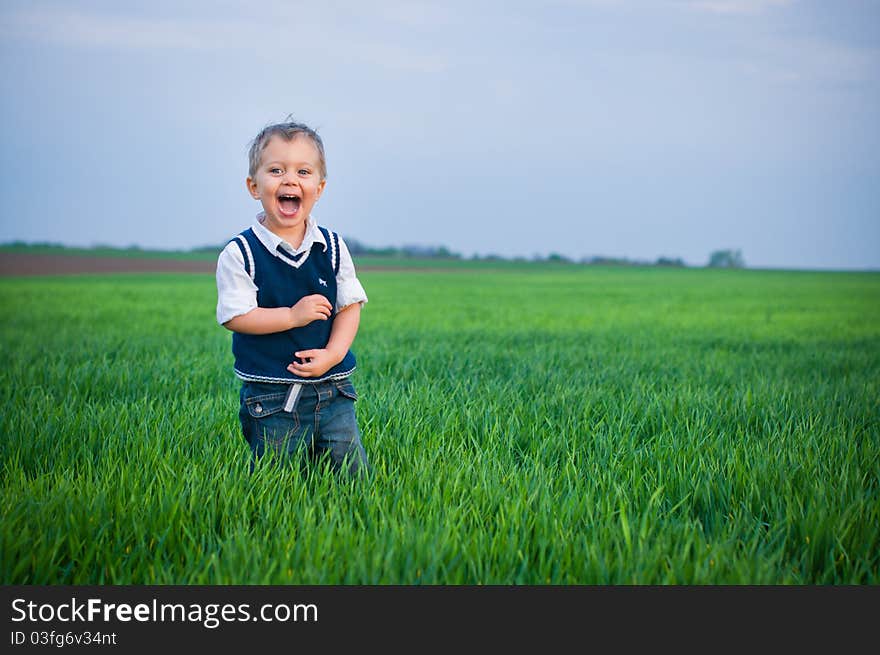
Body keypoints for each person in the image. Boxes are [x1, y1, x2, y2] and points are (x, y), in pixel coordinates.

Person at [216, 118, 369, 477]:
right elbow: (235, 316)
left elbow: (349, 306)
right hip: (271, 395)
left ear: (319, 187)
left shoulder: (331, 247)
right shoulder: (241, 253)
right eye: (276, 170)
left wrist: (333, 354)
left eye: (303, 171)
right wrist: (291, 316)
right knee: (275, 479)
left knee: (351, 476)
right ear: (254, 186)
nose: (290, 180)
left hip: (334, 389)